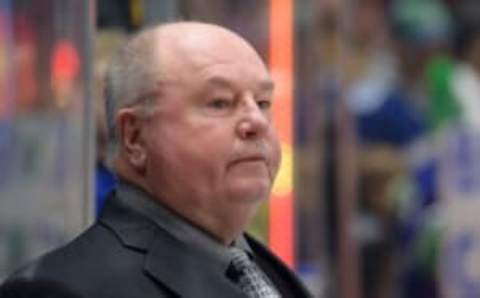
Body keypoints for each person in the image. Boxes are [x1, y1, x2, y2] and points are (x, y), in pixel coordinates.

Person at [0, 22, 311, 298]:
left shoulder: (265, 269)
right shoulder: (57, 289)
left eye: (262, 102)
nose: (256, 121)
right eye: (219, 102)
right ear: (135, 137)